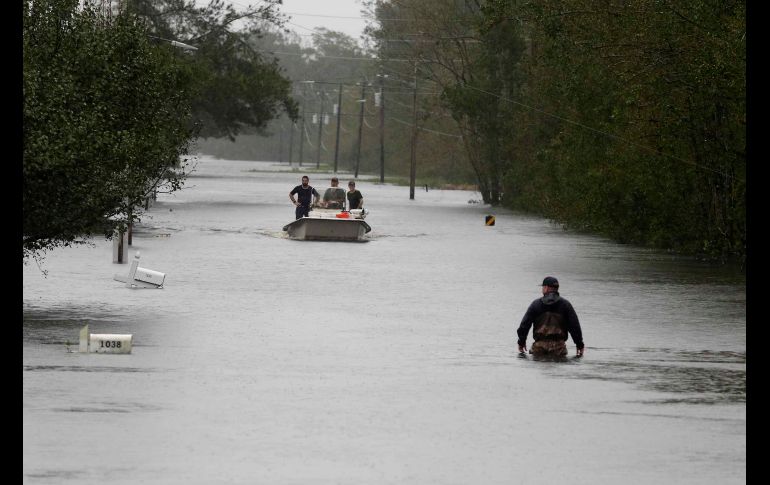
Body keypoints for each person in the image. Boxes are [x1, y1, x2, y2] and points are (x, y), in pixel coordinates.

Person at [517, 276, 585, 357]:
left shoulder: (536, 304)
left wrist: (521, 342)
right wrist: (579, 344)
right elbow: (574, 327)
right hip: (559, 349)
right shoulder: (565, 305)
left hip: (539, 348)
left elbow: (524, 325)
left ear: (546, 288)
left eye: (543, 287)